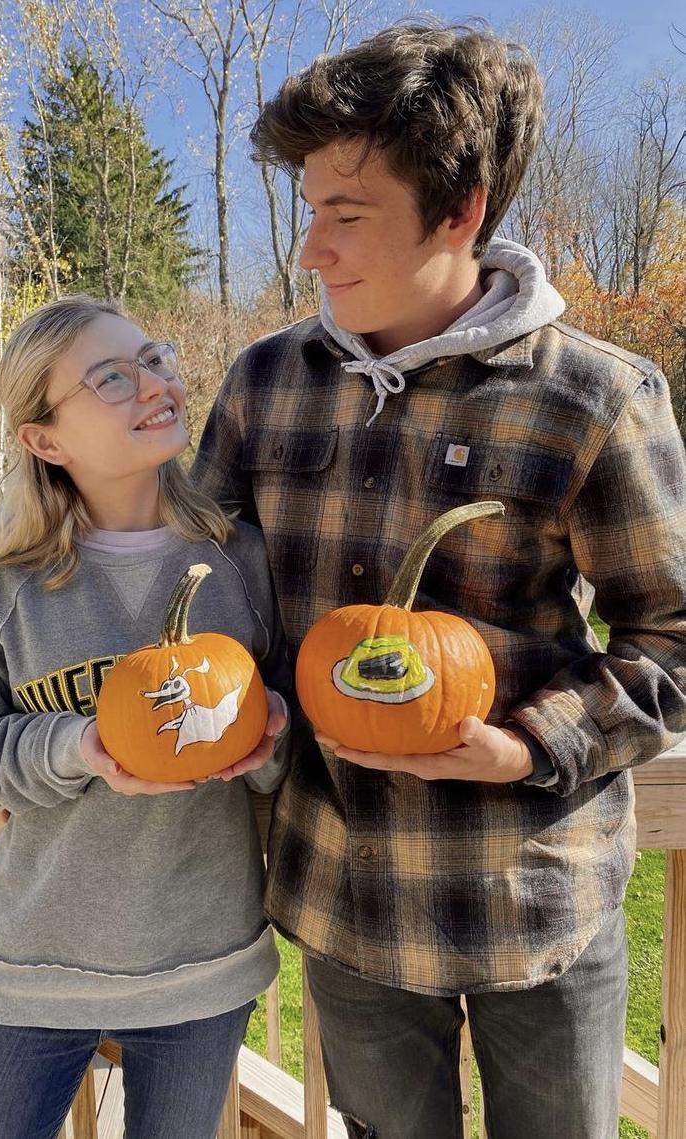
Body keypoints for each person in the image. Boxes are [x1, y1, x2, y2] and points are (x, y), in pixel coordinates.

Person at [192, 22, 686, 1139]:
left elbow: (670, 635)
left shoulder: (594, 397)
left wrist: (523, 745)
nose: (310, 246)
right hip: (342, 896)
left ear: (458, 210)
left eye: (344, 214)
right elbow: (196, 586)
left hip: (530, 900)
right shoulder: (266, 384)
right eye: (309, 207)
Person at [0, 294, 290, 1139]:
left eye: (153, 359)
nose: (152, 384)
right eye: (110, 378)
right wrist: (78, 744)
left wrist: (269, 736)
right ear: (45, 439)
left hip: (202, 960)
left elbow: (285, 743)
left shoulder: (240, 564)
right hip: (36, 961)